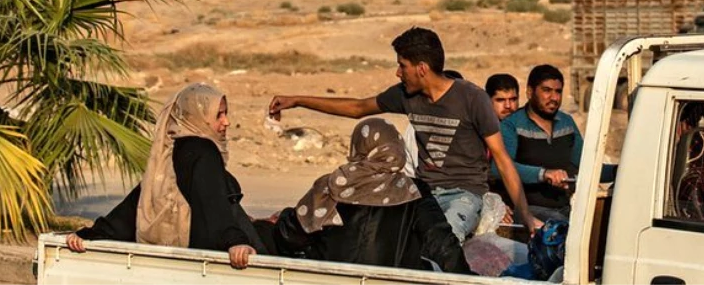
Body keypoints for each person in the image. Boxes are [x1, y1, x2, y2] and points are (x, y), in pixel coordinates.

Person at [268, 27, 537, 241]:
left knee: (444, 238)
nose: (398, 73)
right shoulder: (407, 96)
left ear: (421, 68)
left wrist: (526, 216)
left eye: (402, 65)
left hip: (463, 194)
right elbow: (358, 107)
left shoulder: (472, 99)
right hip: (421, 192)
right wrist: (298, 100)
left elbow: (502, 160)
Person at [66, 84, 266, 269]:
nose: (227, 122)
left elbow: (141, 201)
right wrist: (235, 241)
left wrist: (94, 233)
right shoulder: (201, 151)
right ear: (198, 116)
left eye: (225, 113)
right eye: (218, 115)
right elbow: (213, 204)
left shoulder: (174, 151)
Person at [270, 117, 471, 273]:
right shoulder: (412, 190)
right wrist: (467, 279)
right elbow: (441, 243)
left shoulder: (331, 185)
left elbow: (291, 236)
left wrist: (284, 217)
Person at [494, 65, 582, 222]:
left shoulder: (567, 122)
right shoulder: (511, 125)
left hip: (566, 208)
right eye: (547, 90)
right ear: (529, 92)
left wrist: (621, 170)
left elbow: (586, 164)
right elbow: (498, 168)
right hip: (529, 211)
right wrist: (544, 174)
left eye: (558, 91)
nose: (554, 97)